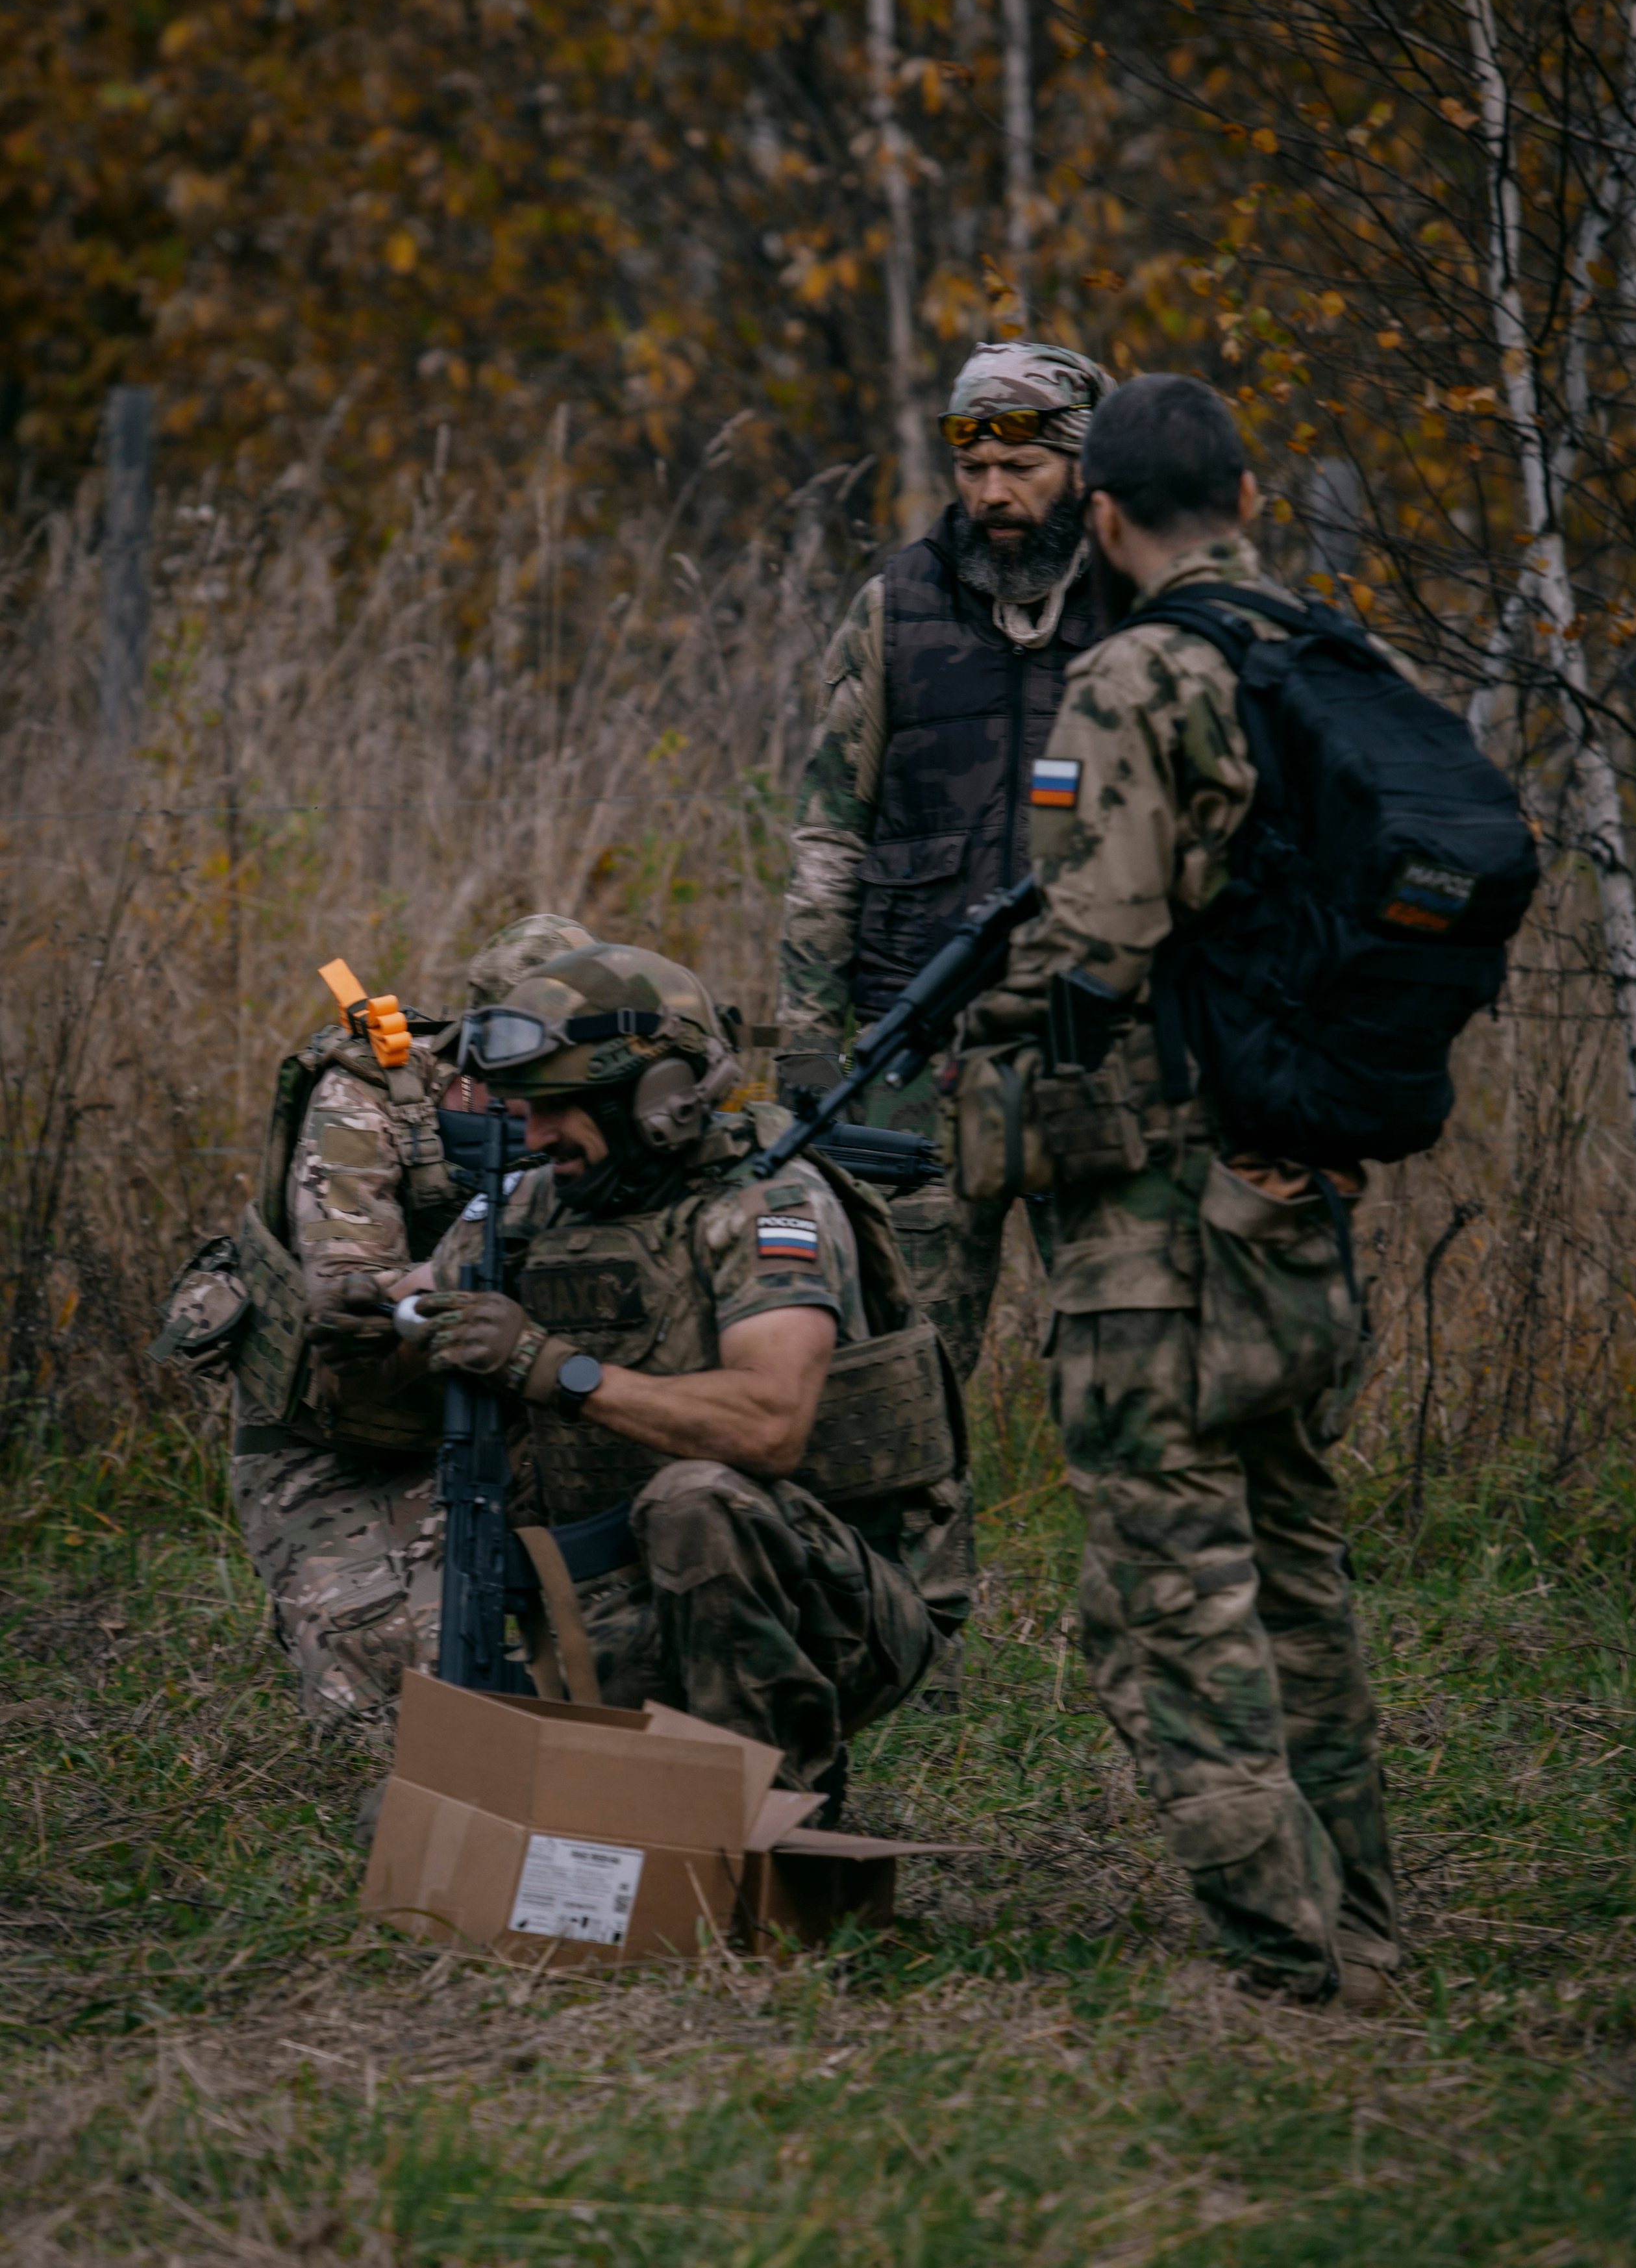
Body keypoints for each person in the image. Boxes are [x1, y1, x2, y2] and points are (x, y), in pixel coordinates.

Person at [969, 373, 1400, 2008]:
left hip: (1152, 1217)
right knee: (1296, 1569)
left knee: (1170, 1588)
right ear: (1239, 489)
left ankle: (1276, 1962)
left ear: (1098, 513)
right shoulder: (1334, 662)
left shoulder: (1136, 672)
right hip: (1297, 1190)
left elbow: (1099, 942)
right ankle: (1360, 1920)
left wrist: (985, 1020)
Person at [411, 941, 972, 1799]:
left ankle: (776, 1817)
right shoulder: (537, 1204)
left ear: (659, 1103)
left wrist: (546, 1363)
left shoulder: (770, 1203)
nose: (533, 1135)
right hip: (627, 1601)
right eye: (526, 1109)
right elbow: (418, 1304)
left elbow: (768, 1425)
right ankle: (648, 1781)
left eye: (561, 1109)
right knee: (430, 1808)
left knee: (696, 1498)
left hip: (836, 1613)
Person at [776, 340, 1113, 1384]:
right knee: (895, 1373)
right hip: (911, 1051)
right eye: (973, 470)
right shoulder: (893, 610)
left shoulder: (1147, 609)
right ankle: (920, 1559)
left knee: (1125, 1362)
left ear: (1084, 467)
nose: (993, 494)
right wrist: (804, 1043)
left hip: (1090, 1050)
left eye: (1023, 467)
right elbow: (830, 832)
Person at [225, 912, 593, 1732]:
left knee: (629, 1668)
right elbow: (345, 1310)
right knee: (407, 1715)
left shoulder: (601, 1112)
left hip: (515, 1413)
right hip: (342, 1443)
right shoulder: (365, 1094)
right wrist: (493, 1234)